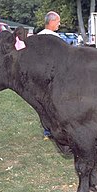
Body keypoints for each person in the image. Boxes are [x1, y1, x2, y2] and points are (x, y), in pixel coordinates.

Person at [37, 11, 61, 140]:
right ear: (51, 22)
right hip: (54, 76)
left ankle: (47, 131)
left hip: (40, 76)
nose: (59, 24)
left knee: (43, 103)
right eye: (58, 22)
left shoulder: (37, 37)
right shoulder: (55, 39)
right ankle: (54, 129)